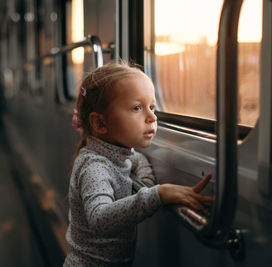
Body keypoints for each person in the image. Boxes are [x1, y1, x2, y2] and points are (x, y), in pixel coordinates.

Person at [64, 62, 213, 266]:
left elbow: (137, 159)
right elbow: (99, 219)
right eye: (137, 108)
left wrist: (146, 184)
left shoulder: (118, 153)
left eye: (152, 107)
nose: (152, 117)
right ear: (100, 123)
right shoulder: (94, 167)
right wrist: (157, 194)